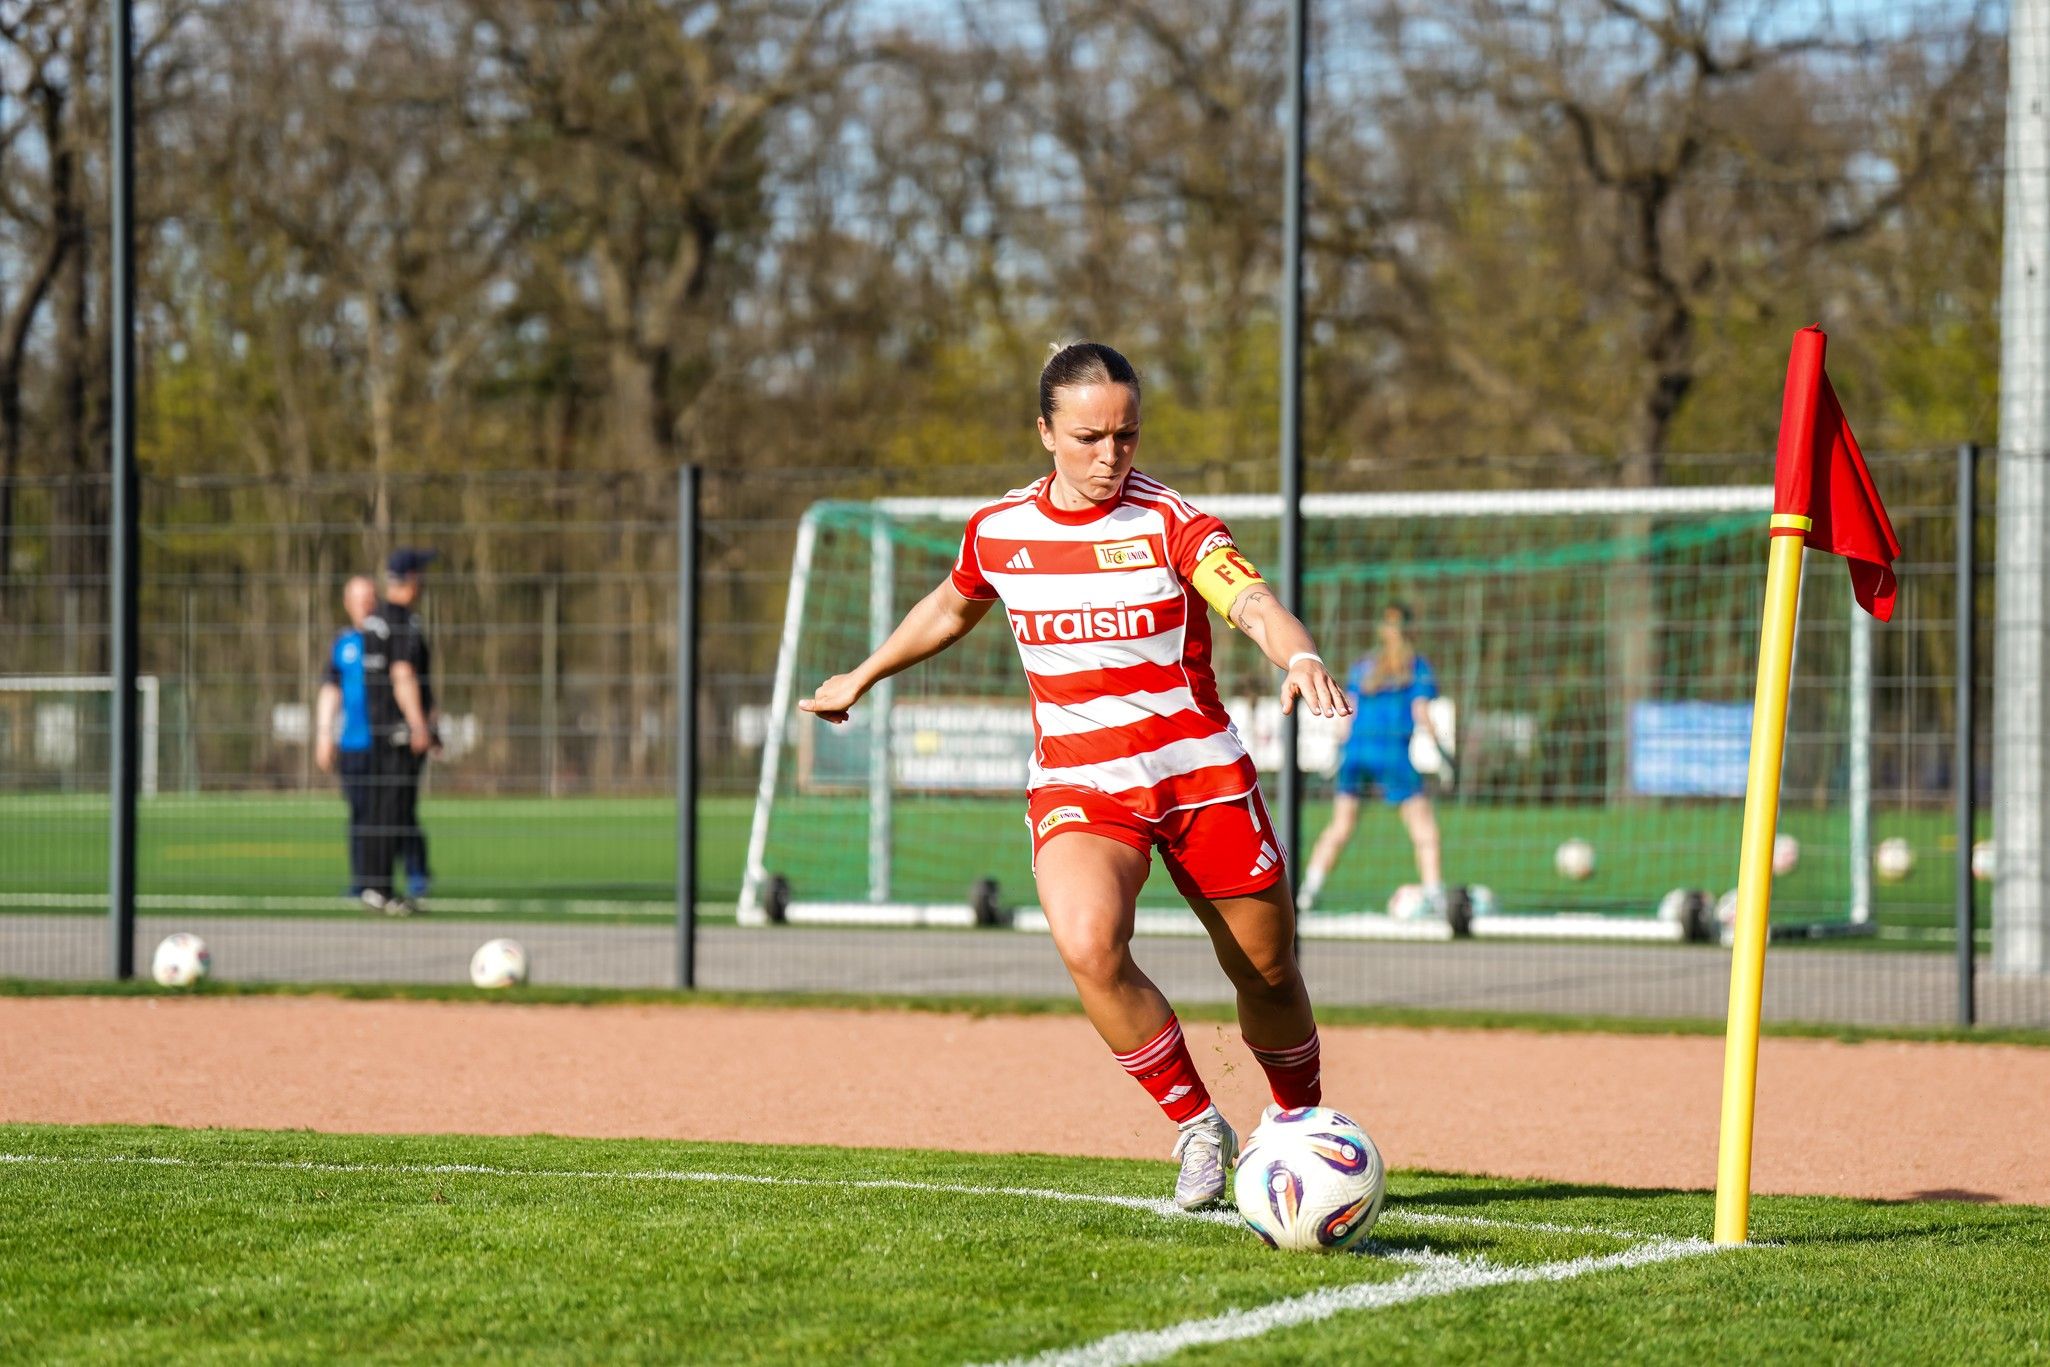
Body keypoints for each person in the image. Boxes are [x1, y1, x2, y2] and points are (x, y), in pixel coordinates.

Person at [800, 342, 1352, 1209]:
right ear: (1045, 432)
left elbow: (1248, 599)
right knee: (1089, 943)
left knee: (1269, 970)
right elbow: (951, 605)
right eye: (1091, 436)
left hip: (1199, 778)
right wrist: (864, 674)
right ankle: (1199, 1125)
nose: (1111, 456)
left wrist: (1299, 651)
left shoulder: (1170, 521)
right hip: (1081, 782)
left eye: (1127, 436)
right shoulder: (1001, 531)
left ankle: (1302, 1131)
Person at [1298, 602, 1447, 915]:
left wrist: (1335, 755)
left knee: (1340, 826)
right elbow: (1422, 713)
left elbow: (1346, 715)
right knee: (1424, 830)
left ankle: (1308, 891)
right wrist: (1445, 755)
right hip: (1392, 754)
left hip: (1356, 752)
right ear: (1412, 629)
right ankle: (1435, 896)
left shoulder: (1363, 665)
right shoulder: (1416, 667)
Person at [314, 576, 384, 909]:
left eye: (370, 597)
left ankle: (412, 878)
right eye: (358, 598)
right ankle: (361, 881)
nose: (365, 603)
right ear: (347, 602)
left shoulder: (389, 637)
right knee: (359, 814)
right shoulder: (343, 643)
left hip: (387, 745)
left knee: (394, 814)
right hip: (353, 744)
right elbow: (330, 690)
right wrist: (324, 734)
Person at [379, 547, 440, 905]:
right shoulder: (398, 623)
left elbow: (422, 681)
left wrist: (433, 723)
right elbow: (403, 675)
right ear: (411, 578)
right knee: (396, 808)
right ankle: (403, 878)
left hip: (403, 730)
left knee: (400, 807)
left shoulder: (398, 621)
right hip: (398, 735)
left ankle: (411, 875)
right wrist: (418, 725)